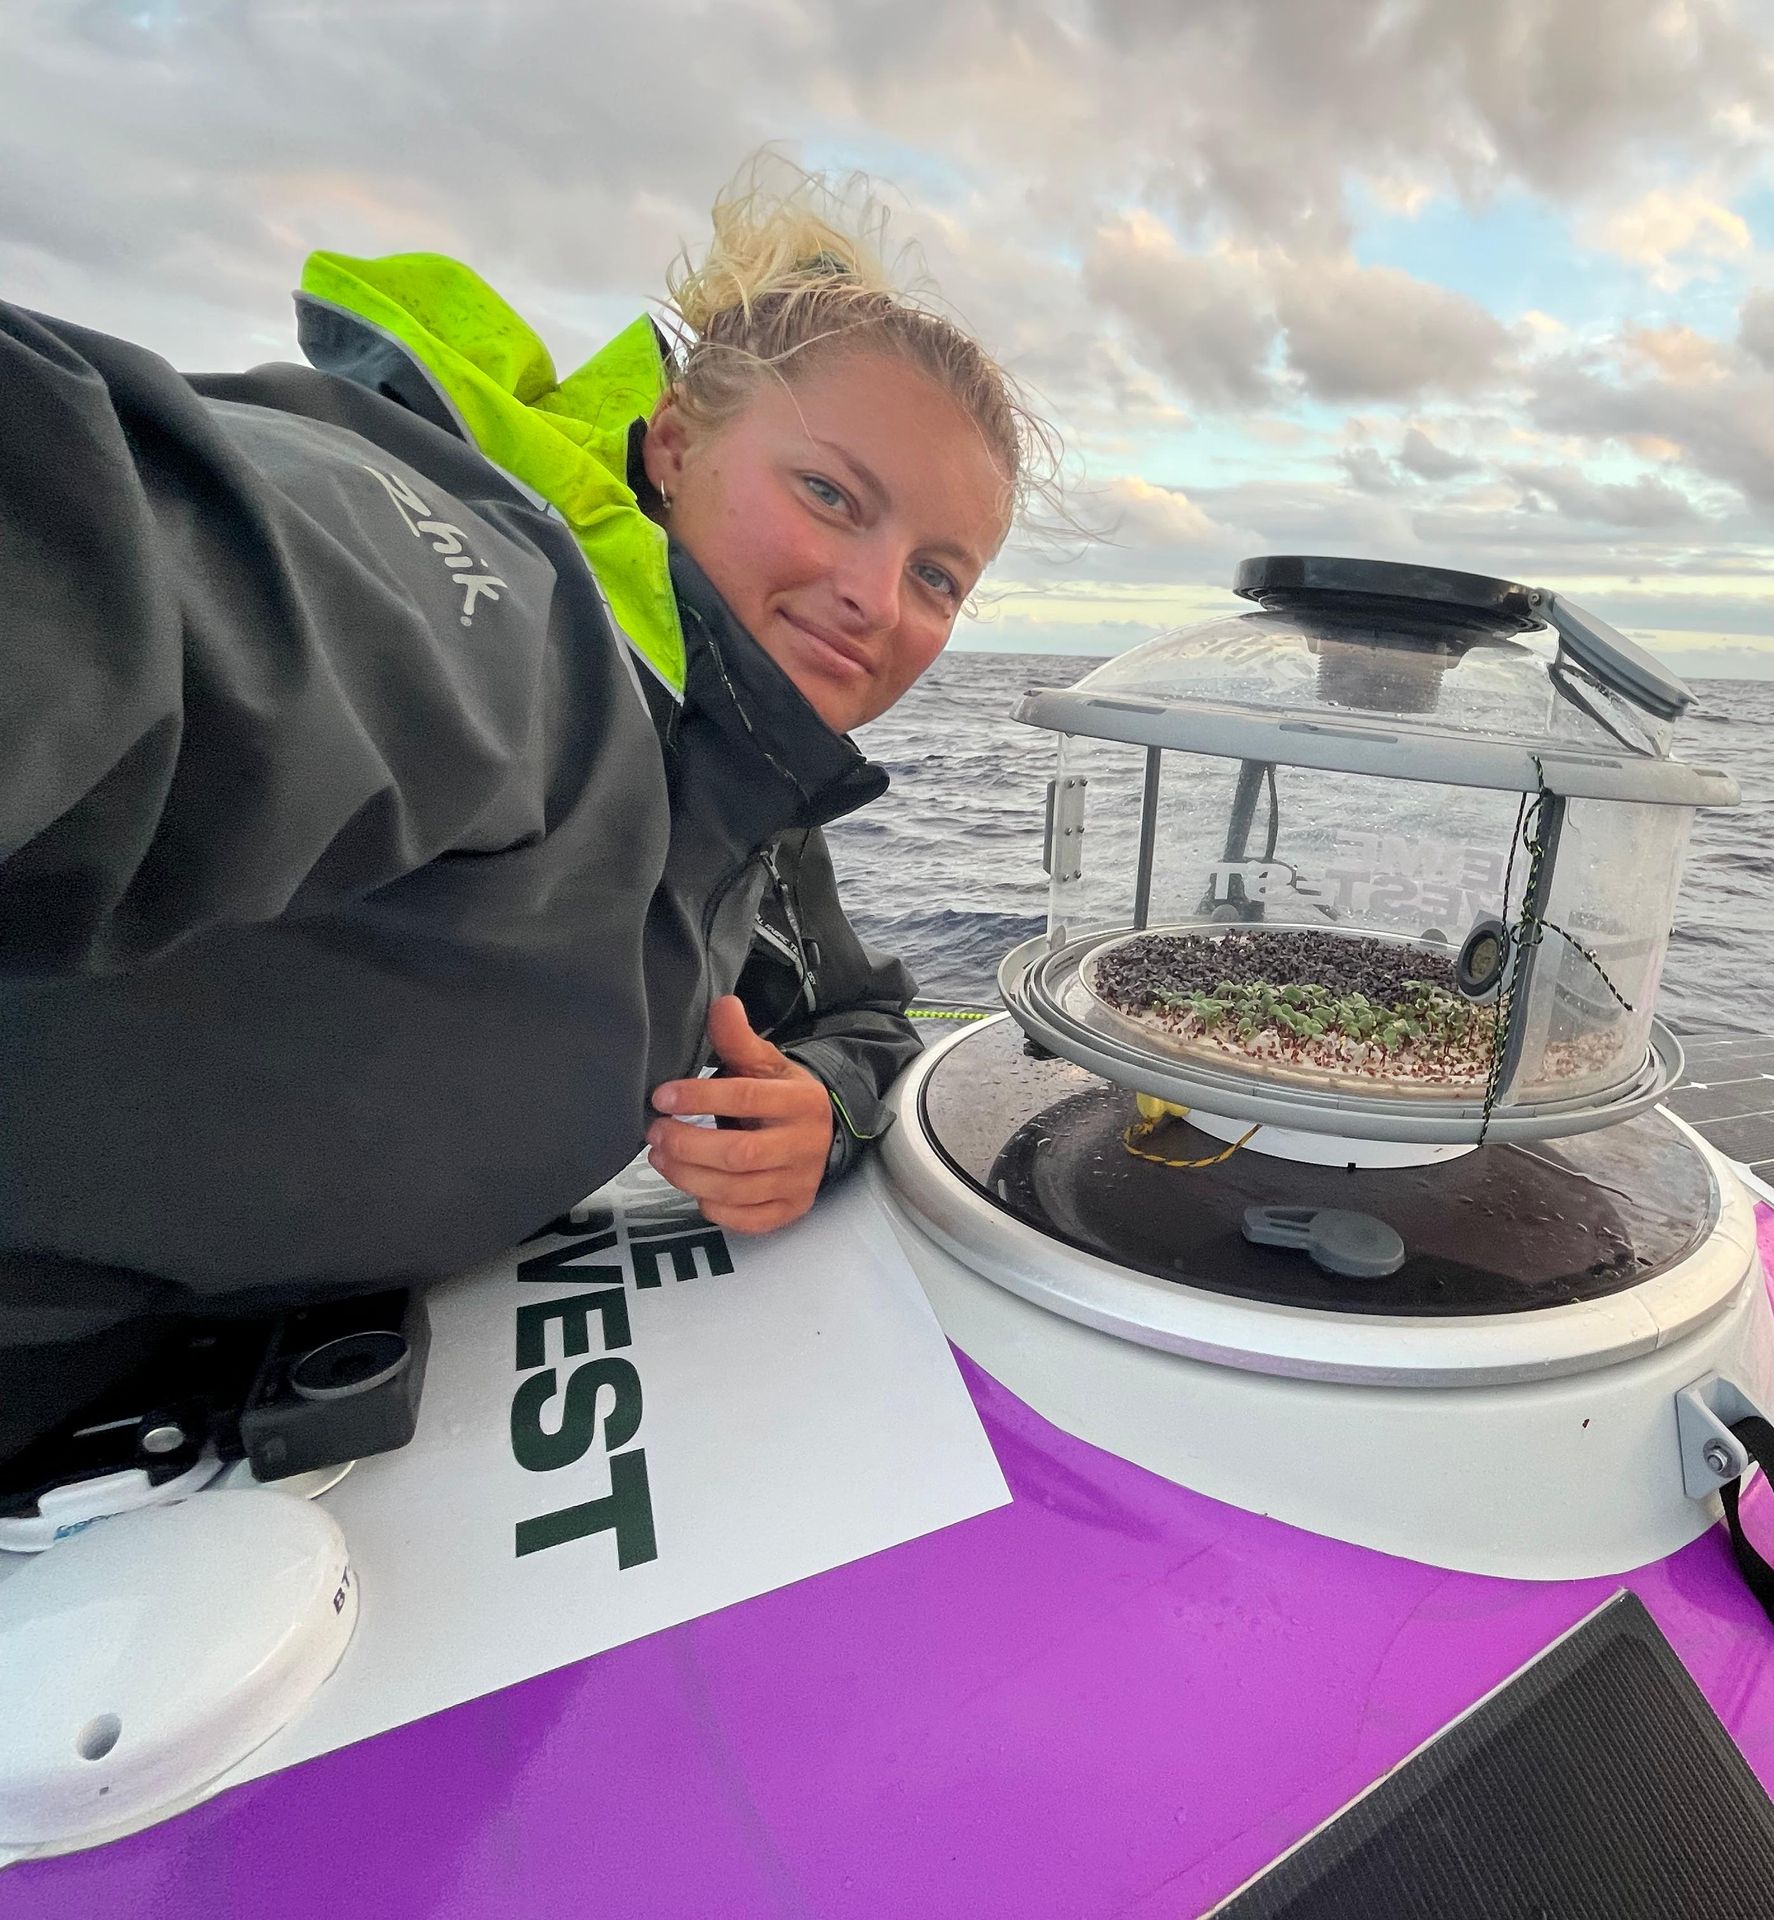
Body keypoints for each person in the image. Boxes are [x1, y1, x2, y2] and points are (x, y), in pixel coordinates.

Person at [0, 160, 1049, 1462]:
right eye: (831, 496)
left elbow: (862, 1014)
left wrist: (819, 1108)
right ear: (674, 445)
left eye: (938, 575)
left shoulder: (740, 800)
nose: (875, 597)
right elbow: (133, 574)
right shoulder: (508, 623)